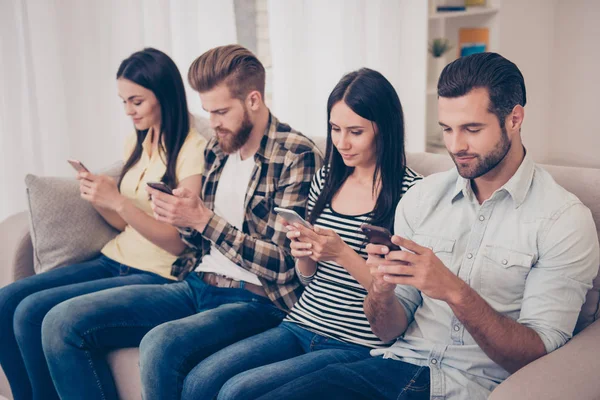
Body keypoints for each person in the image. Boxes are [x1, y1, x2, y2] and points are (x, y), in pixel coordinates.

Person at [250, 52, 600, 400]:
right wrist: (381, 292)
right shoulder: (423, 197)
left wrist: (453, 290)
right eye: (447, 129)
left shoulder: (564, 221)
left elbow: (537, 354)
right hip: (395, 364)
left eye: (472, 129)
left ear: (515, 118)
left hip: (468, 385)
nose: (455, 145)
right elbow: (388, 330)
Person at [40, 44, 322, 400]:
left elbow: (284, 265)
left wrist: (204, 220)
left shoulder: (296, 155)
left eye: (220, 111)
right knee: (61, 323)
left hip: (255, 301)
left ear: (254, 99)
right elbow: (194, 242)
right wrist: (181, 215)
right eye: (207, 111)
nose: (213, 123)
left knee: (160, 345)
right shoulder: (218, 150)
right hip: (196, 283)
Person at [174, 67, 422, 400]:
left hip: (356, 342)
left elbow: (400, 296)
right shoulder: (326, 180)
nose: (342, 143)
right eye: (335, 129)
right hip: (301, 322)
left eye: (356, 131)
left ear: (385, 129)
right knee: (200, 380)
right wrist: (304, 255)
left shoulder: (412, 194)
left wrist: (343, 254)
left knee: (236, 392)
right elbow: (308, 279)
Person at [0, 47, 206, 400]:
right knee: (7, 303)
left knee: (35, 314)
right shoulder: (138, 141)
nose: (129, 110)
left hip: (158, 271)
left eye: (137, 101)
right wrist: (102, 199)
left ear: (165, 94)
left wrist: (120, 202)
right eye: (123, 101)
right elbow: (121, 221)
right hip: (115, 258)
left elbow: (178, 242)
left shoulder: (193, 149)